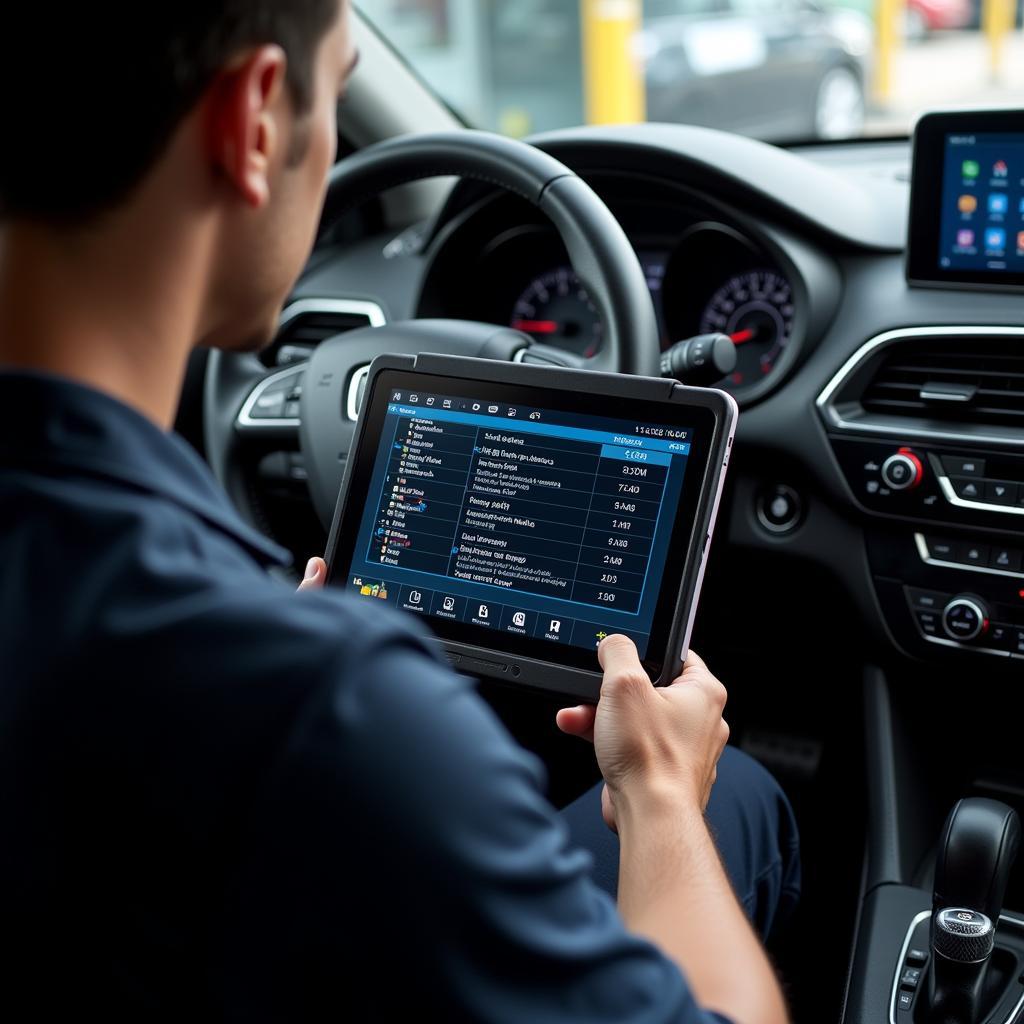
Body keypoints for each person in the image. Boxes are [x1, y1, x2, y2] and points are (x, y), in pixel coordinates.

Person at [0, 2, 799, 1021]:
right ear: (252, 124)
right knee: (736, 799)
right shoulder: (323, 706)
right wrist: (654, 788)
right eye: (336, 90)